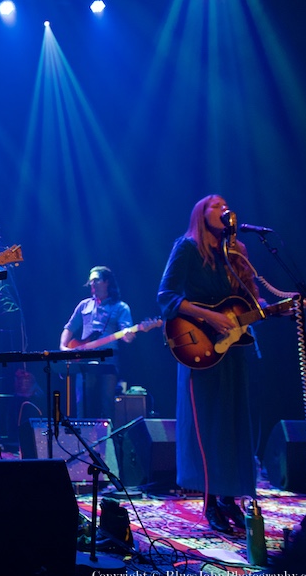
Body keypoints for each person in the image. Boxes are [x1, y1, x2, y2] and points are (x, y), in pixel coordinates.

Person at [157, 194, 259, 533]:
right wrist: (210, 317)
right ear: (201, 214)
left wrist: (271, 306)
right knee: (207, 424)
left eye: (227, 204)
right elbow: (167, 297)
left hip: (233, 348)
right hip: (198, 345)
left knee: (233, 423)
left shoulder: (236, 253)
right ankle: (211, 499)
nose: (224, 208)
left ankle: (230, 495)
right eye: (216, 205)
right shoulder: (187, 247)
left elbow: (250, 298)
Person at [59, 266, 135, 419]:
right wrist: (63, 347)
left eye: (96, 280)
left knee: (107, 401)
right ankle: (83, 438)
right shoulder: (84, 305)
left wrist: (129, 334)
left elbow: (127, 336)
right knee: (82, 401)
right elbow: (69, 327)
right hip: (85, 356)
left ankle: (109, 440)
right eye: (90, 280)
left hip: (108, 358)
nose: (92, 283)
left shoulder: (120, 307)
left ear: (107, 282)